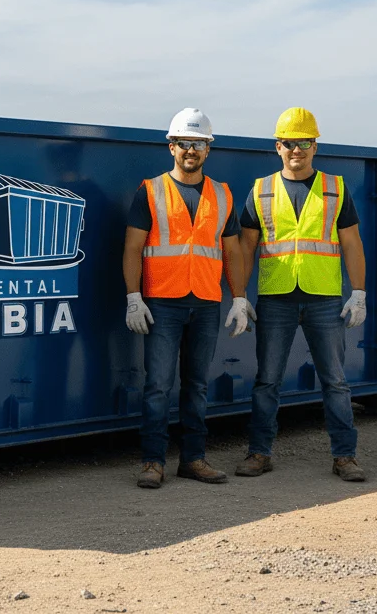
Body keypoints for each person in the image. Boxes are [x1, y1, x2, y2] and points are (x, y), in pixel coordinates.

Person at [235, 108, 368, 482]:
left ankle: (345, 456)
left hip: (324, 297)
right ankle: (259, 453)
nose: (297, 150)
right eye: (290, 143)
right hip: (275, 297)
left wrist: (358, 293)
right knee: (267, 381)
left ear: (315, 145)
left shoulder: (335, 187)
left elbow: (352, 244)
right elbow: (247, 247)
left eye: (304, 143)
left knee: (336, 381)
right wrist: (238, 296)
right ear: (278, 147)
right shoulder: (261, 190)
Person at [123, 107, 253, 489]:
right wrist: (134, 297)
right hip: (162, 302)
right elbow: (132, 248)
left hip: (206, 302)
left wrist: (240, 299)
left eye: (198, 143)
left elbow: (232, 252)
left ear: (208, 148)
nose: (190, 149)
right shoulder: (150, 190)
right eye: (184, 143)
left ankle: (194, 459)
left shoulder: (222, 194)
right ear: (172, 147)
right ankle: (152, 462)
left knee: (196, 385)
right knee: (158, 385)